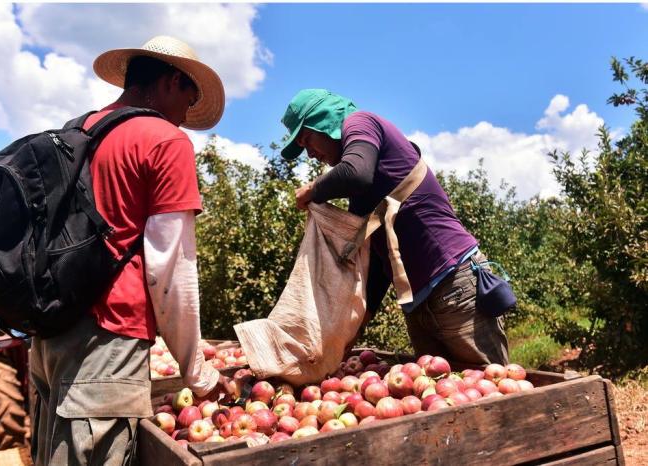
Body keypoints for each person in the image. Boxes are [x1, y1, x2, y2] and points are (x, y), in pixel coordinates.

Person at [29, 36, 231, 465]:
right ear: (173, 81)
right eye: (188, 98)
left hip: (51, 333)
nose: (185, 115)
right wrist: (195, 370)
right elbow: (170, 268)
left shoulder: (78, 130)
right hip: (109, 339)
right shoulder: (164, 141)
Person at [280, 88, 510, 367]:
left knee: (491, 391)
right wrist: (357, 325)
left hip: (454, 283)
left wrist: (313, 190)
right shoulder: (364, 196)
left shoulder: (360, 122)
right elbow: (380, 260)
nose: (311, 154)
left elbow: (356, 172)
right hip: (418, 304)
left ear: (325, 121)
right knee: (446, 397)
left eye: (308, 140)